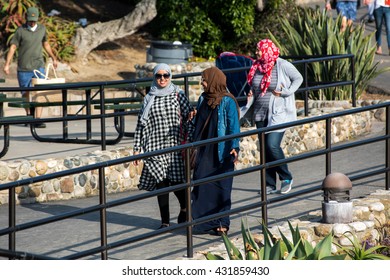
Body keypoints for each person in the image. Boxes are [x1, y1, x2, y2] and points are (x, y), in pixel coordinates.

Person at [133, 63, 195, 229]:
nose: (162, 79)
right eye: (158, 76)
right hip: (154, 147)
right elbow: (141, 123)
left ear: (170, 76)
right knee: (161, 183)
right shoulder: (148, 97)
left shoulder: (178, 94)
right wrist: (137, 147)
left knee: (176, 182)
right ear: (154, 77)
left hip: (174, 146)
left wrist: (188, 140)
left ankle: (184, 206)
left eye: (165, 75)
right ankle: (165, 222)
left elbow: (189, 118)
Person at [247, 39, 303, 195]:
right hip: (260, 113)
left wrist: (286, 91)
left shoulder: (281, 64)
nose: (256, 52)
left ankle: (286, 177)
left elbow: (298, 78)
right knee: (265, 150)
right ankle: (269, 184)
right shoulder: (256, 66)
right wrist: (251, 92)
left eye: (259, 50)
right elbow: (255, 85)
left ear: (267, 50)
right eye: (256, 50)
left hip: (278, 113)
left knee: (272, 145)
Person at [191, 66, 240, 236]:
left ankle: (222, 224)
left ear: (213, 80)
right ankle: (201, 223)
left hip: (222, 152)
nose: (202, 83)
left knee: (221, 187)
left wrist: (235, 146)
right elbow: (199, 124)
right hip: (204, 151)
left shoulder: (228, 101)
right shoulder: (203, 99)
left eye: (204, 80)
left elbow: (234, 127)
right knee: (201, 184)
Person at [3, 7, 58, 128]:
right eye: (30, 20)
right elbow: (13, 47)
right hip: (24, 67)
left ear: (37, 18)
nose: (32, 22)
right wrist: (7, 64)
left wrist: (53, 57)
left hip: (38, 66)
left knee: (40, 93)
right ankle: (29, 117)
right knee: (26, 93)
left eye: (34, 20)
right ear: (26, 18)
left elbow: (46, 44)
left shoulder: (42, 29)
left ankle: (37, 119)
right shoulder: (20, 31)